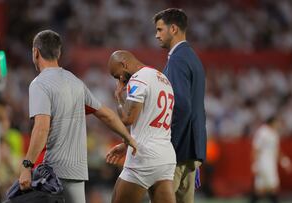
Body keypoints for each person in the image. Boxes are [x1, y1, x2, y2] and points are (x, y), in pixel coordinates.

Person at [18, 30, 137, 203]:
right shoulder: (75, 82)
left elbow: (41, 128)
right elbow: (107, 115)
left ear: (35, 52)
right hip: (77, 171)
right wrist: (128, 138)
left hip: (52, 171)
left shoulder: (39, 83)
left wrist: (26, 166)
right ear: (58, 53)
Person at [106, 50, 176, 203]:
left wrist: (118, 97)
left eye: (117, 76)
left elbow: (127, 118)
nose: (120, 80)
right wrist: (126, 144)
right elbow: (148, 120)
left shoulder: (138, 79)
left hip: (144, 156)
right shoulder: (163, 78)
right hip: (165, 157)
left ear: (124, 64)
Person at [153, 8, 207, 203]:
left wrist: (168, 145)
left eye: (160, 29)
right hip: (192, 148)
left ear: (173, 28)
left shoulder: (177, 59)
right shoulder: (192, 57)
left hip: (177, 150)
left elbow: (182, 106)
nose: (156, 35)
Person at [251, 116, 292, 203]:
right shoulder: (262, 132)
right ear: (271, 122)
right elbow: (256, 149)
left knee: (260, 189)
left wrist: (284, 161)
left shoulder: (274, 133)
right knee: (274, 186)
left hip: (271, 162)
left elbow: (276, 150)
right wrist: (255, 163)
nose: (278, 124)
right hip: (264, 162)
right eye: (276, 122)